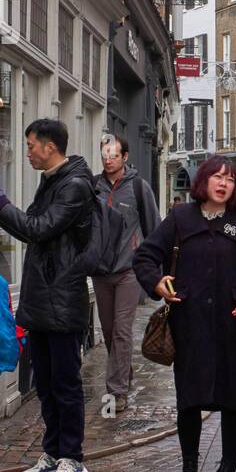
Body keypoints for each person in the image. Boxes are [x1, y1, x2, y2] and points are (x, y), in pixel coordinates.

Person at [133, 156, 236, 472]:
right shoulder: (179, 218)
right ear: (203, 181)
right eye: (217, 177)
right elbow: (144, 256)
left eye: (230, 179)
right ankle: (189, 468)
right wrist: (157, 282)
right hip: (189, 322)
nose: (223, 184)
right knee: (188, 400)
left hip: (233, 322)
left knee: (233, 400)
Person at [0, 119, 94, 472]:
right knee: (44, 381)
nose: (27, 152)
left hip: (61, 298)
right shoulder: (53, 182)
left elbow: (39, 228)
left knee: (64, 381)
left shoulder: (74, 185)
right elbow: (32, 228)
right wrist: (0, 205)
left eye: (31, 145)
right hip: (43, 297)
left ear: (50, 146)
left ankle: (73, 457)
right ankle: (54, 451)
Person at [93, 136, 159, 414]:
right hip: (100, 270)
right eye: (104, 155)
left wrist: (152, 267)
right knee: (108, 330)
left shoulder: (138, 187)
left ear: (125, 156)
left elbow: (153, 227)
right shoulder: (92, 187)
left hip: (128, 270)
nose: (108, 159)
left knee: (121, 330)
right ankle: (123, 370)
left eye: (113, 155)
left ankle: (117, 392)